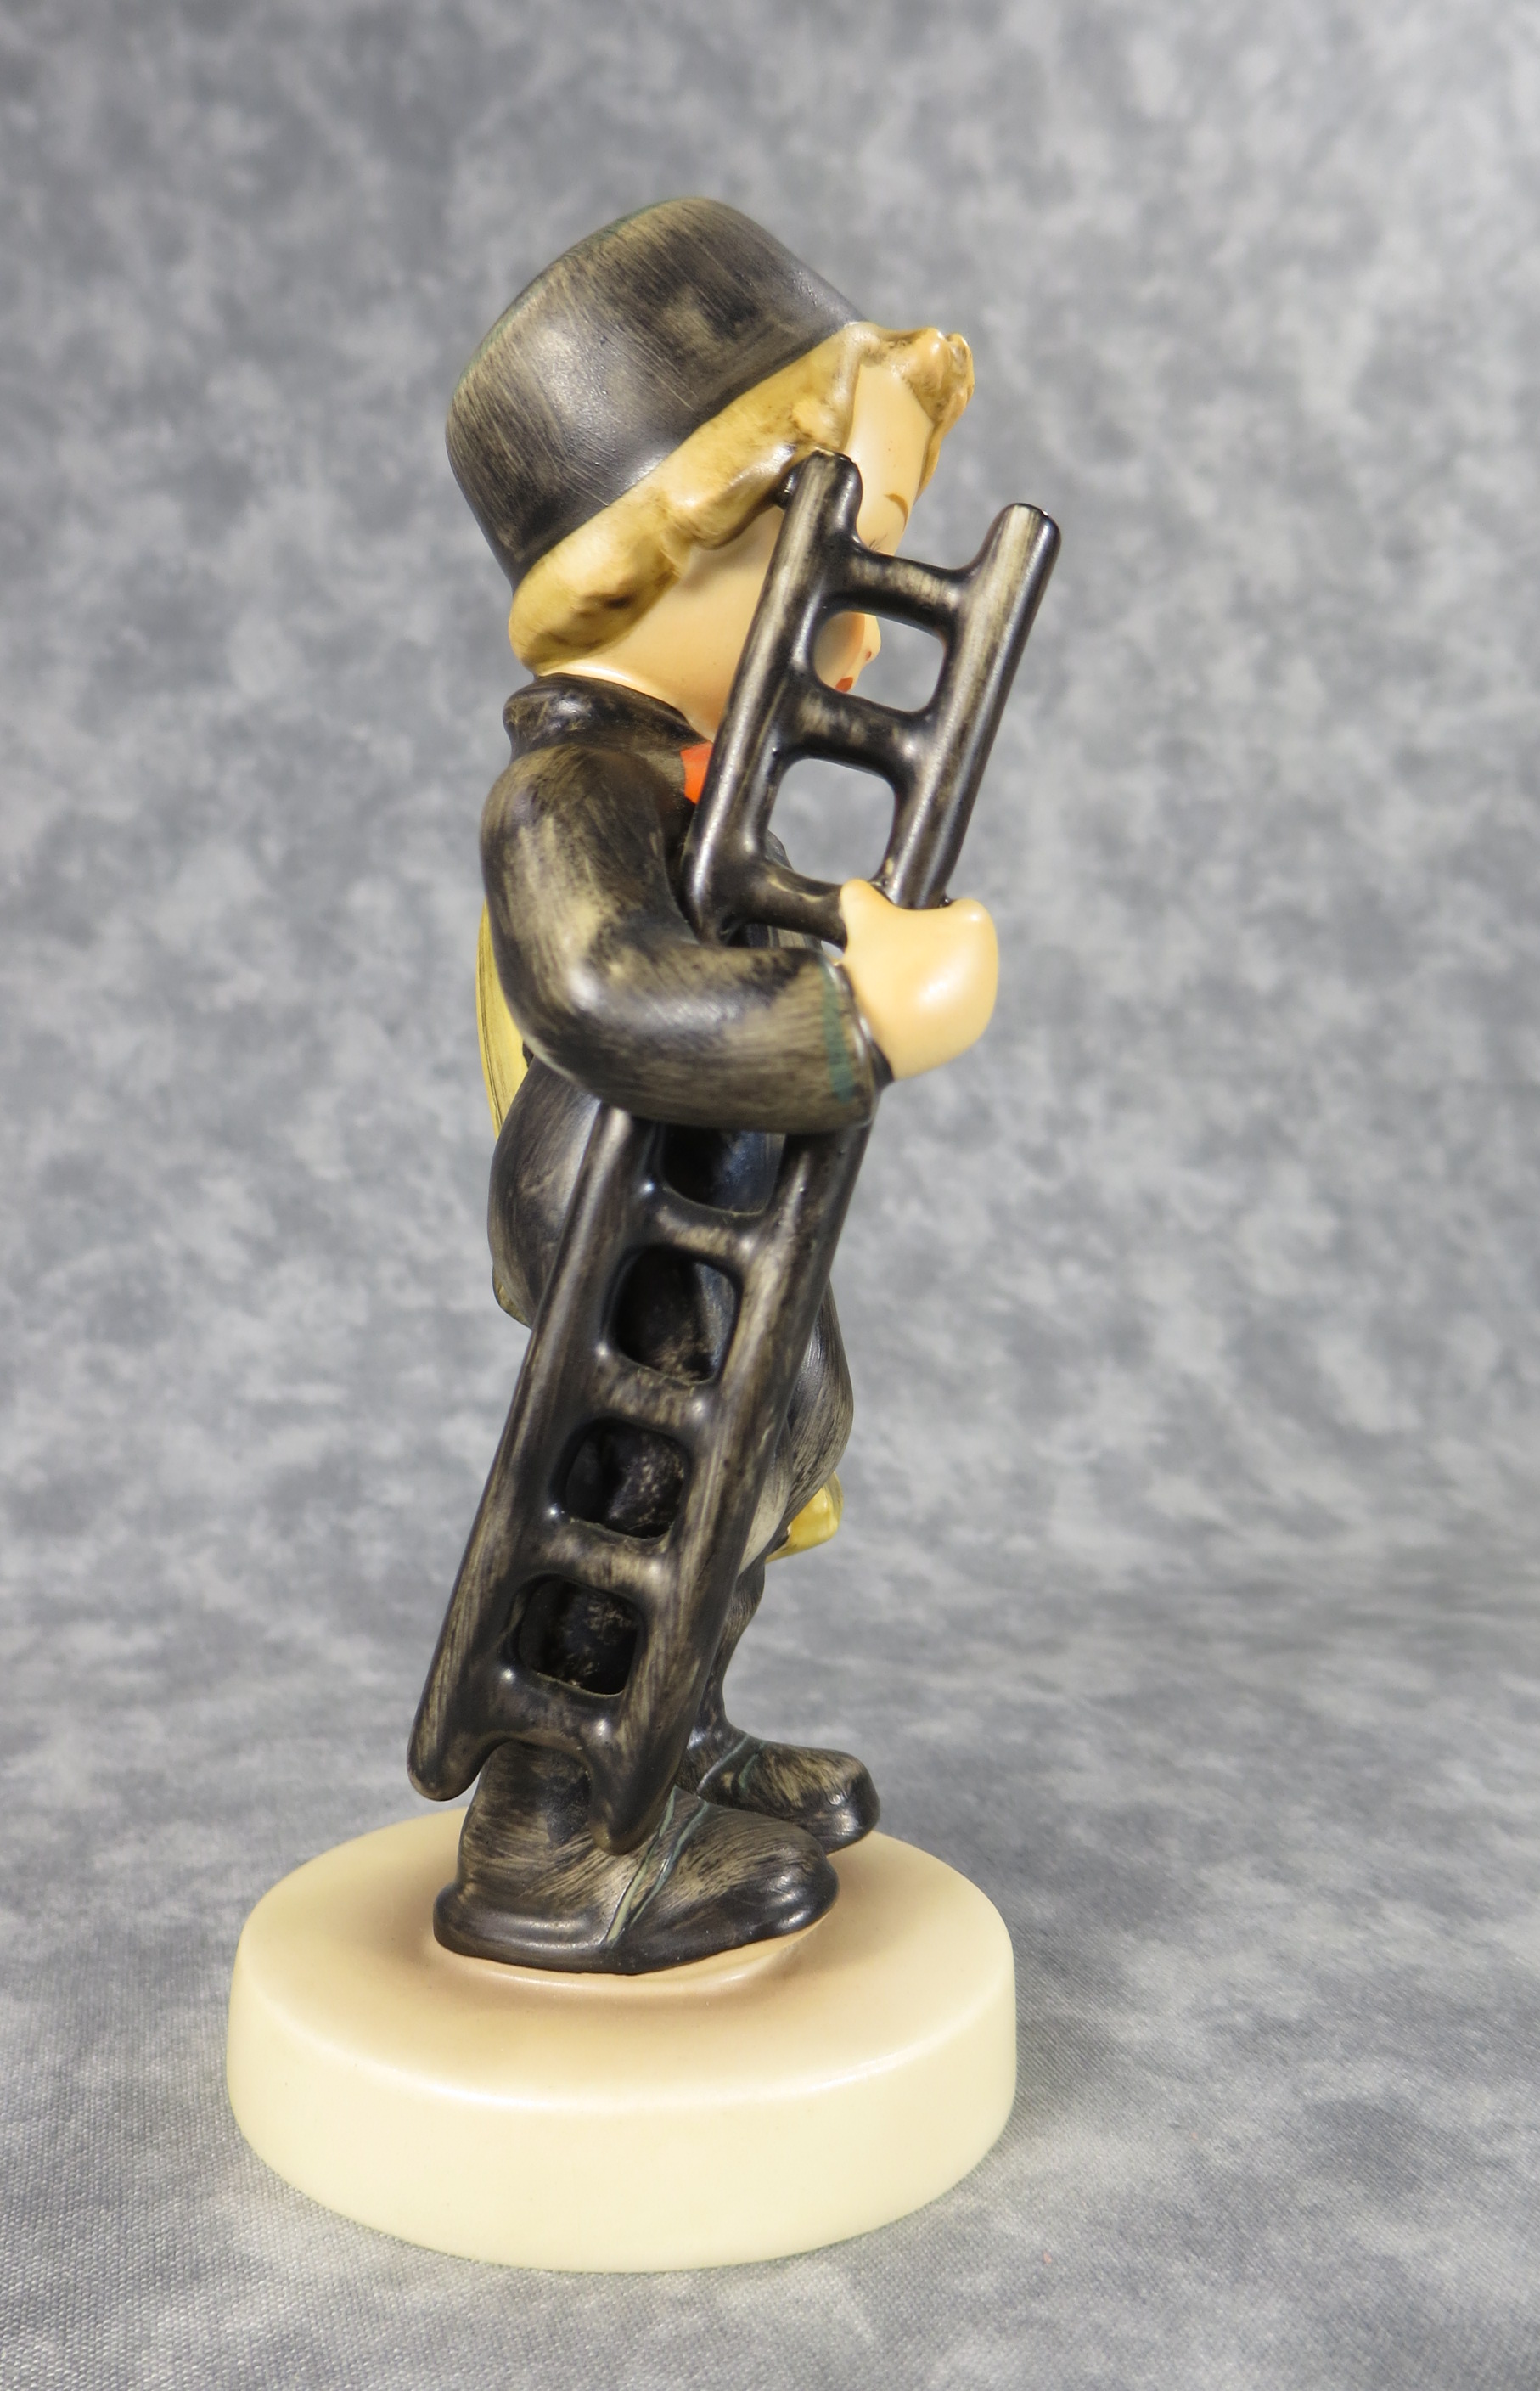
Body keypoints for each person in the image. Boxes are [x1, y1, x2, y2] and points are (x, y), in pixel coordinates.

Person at [432, 199, 999, 1970]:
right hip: (615, 1188)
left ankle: (670, 1736)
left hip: (705, 1183)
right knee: (639, 1489)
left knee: (774, 1434)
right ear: (659, 552)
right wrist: (857, 1019)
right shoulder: (568, 797)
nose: (859, 647)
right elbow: (607, 987)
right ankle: (546, 1831)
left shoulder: (681, 777)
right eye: (835, 578)